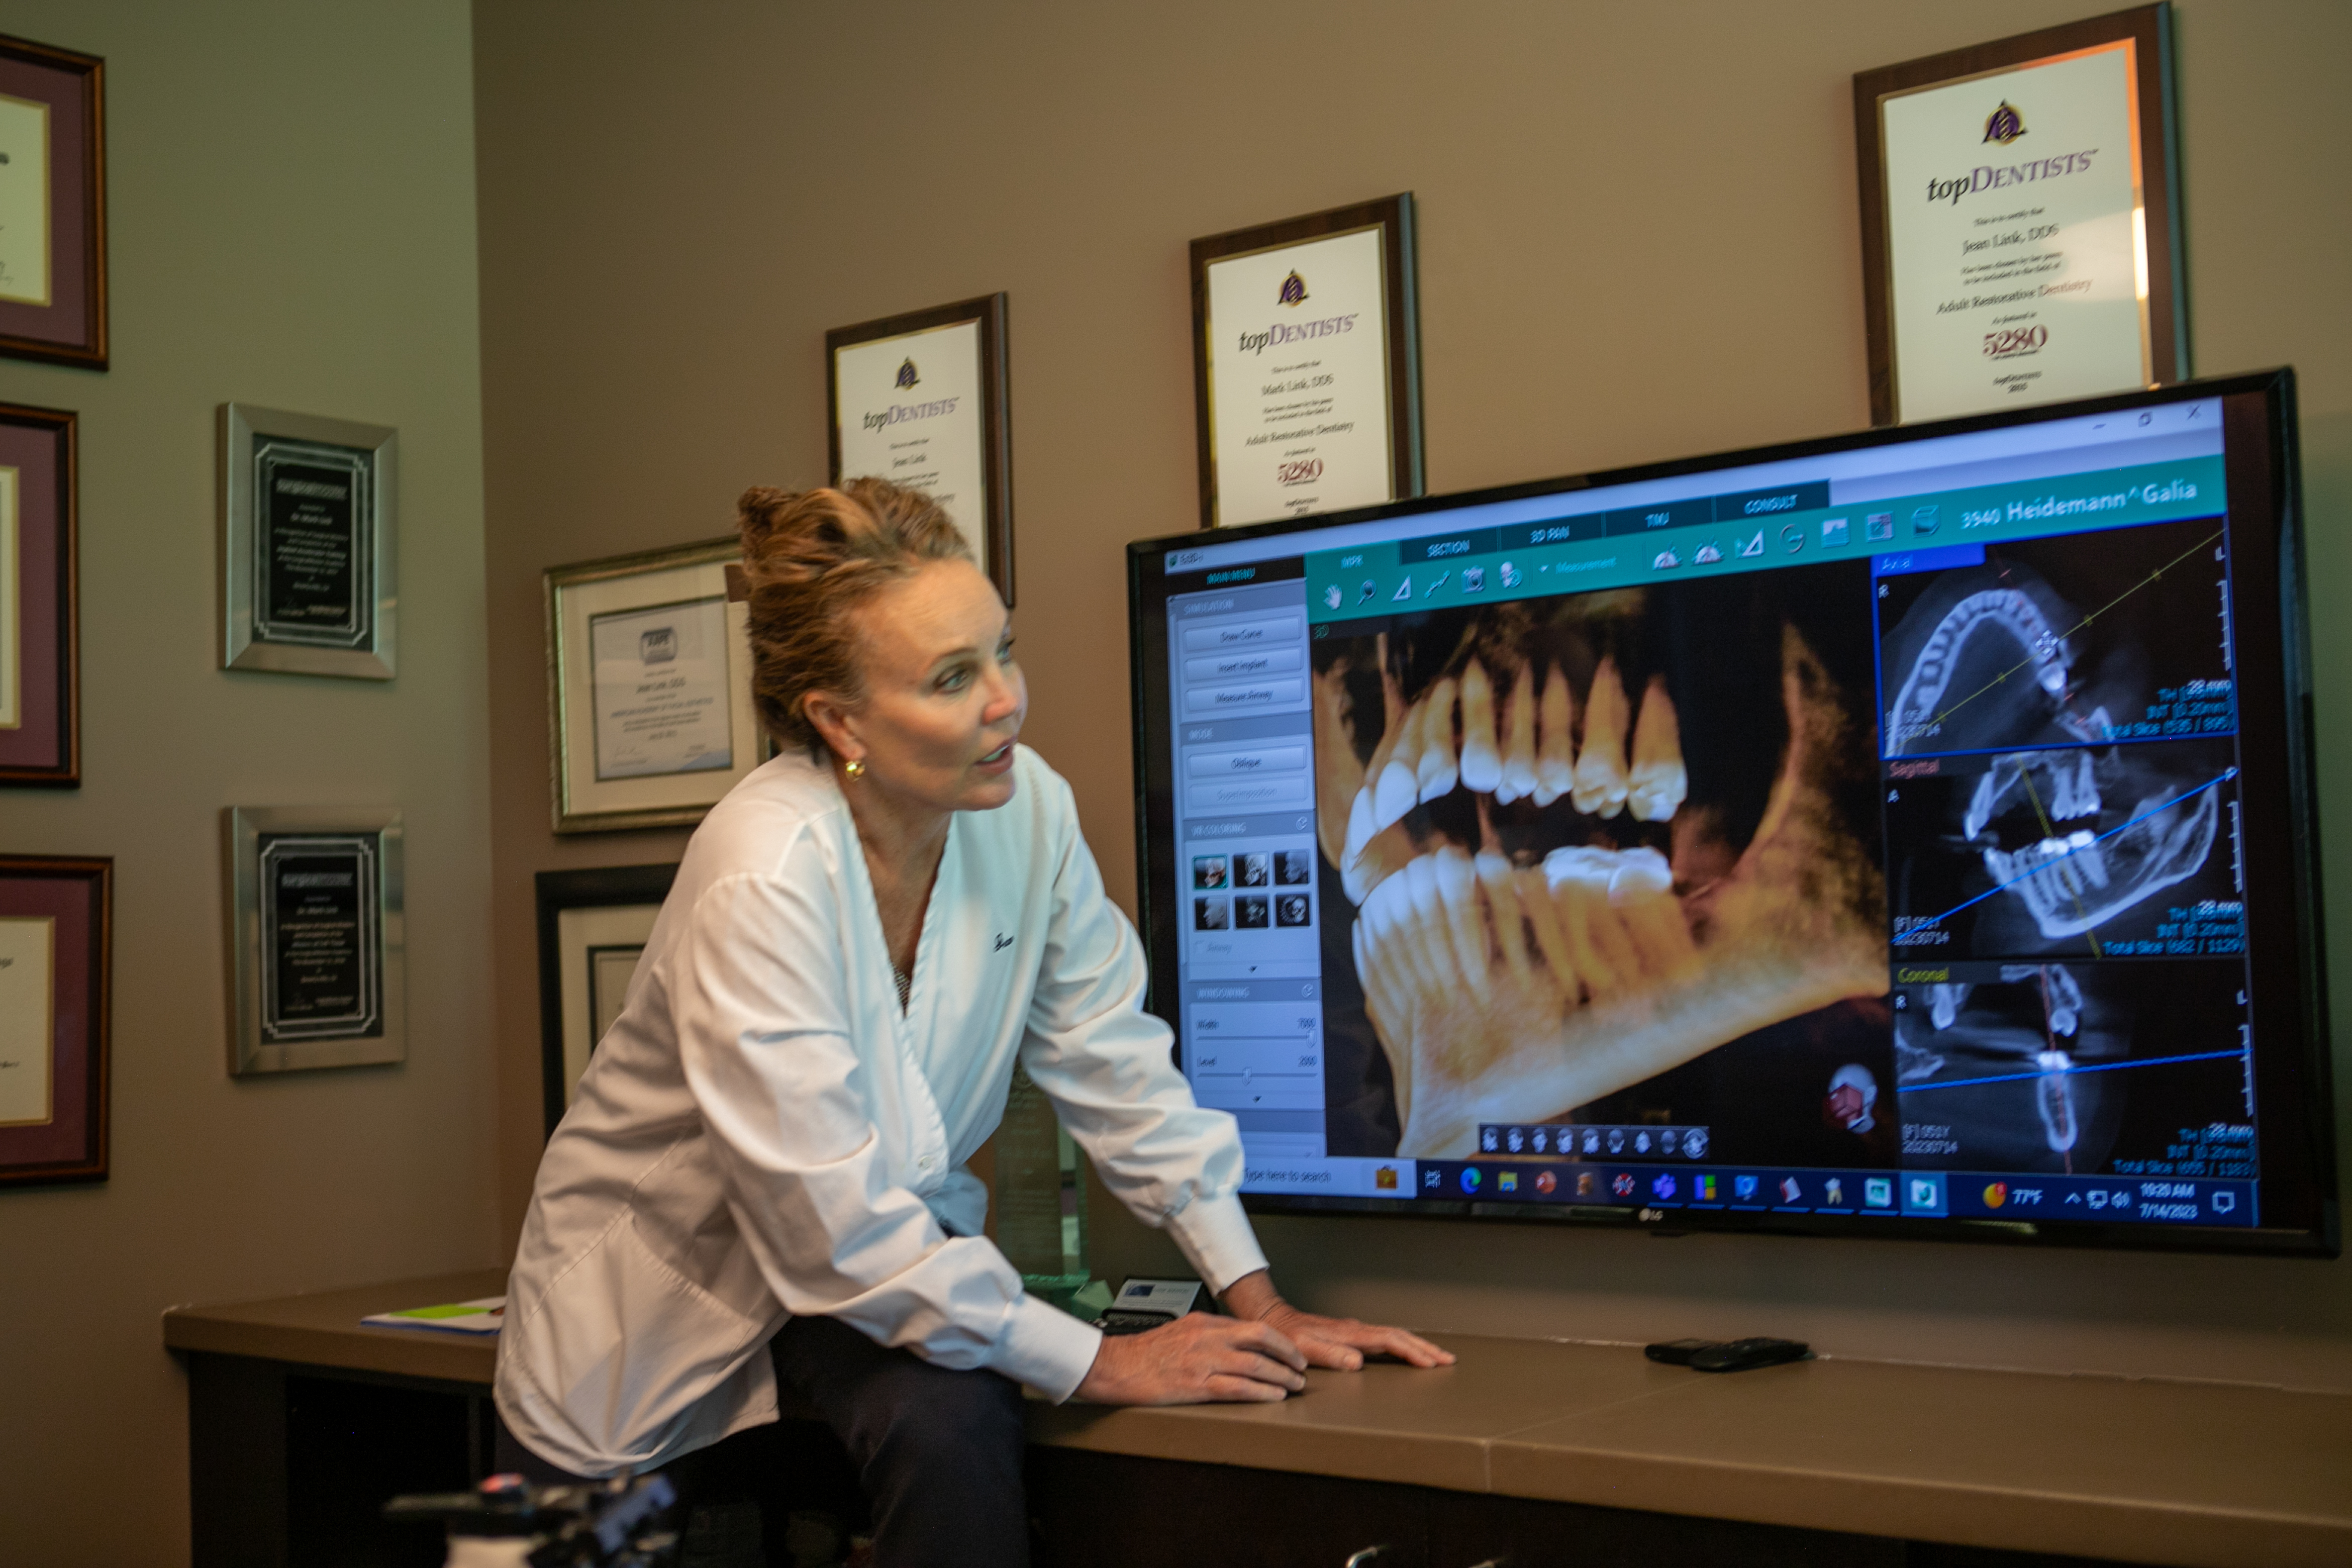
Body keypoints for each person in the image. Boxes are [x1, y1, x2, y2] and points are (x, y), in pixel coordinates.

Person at [494, 478, 1451, 1566]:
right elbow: (831, 1228)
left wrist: (1257, 1295)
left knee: (954, 1428)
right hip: (658, 1305)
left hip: (878, 1270)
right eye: (955, 678)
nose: (1008, 700)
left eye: (1005, 650)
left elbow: (1113, 1058)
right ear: (837, 718)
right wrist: (1106, 1362)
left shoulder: (1027, 809)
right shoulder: (761, 875)